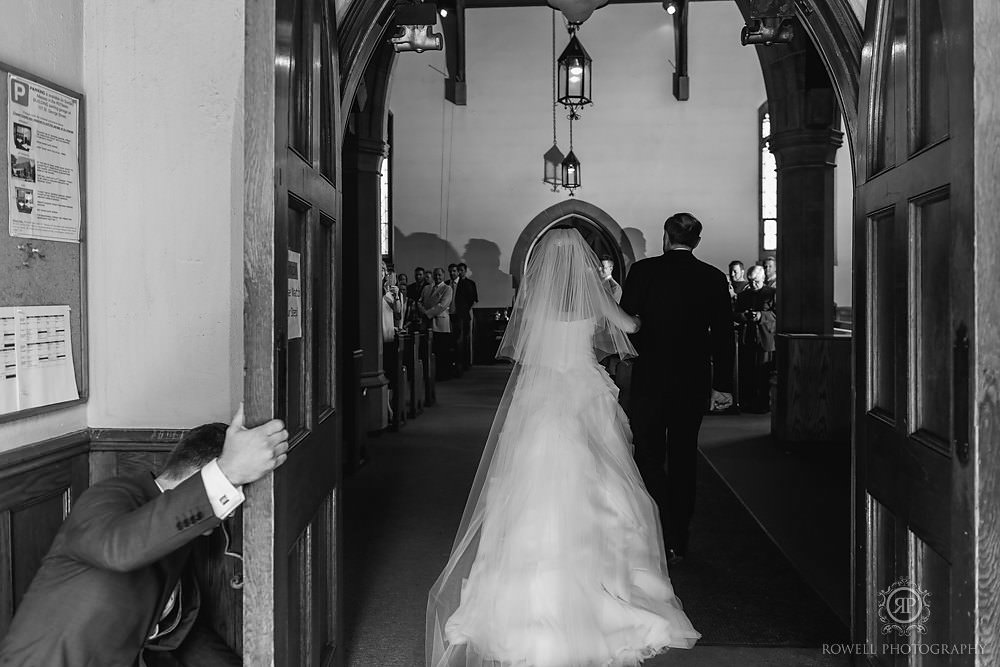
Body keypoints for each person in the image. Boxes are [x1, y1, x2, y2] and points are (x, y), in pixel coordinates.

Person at [427, 229, 699, 667]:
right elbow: (629, 327)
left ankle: (521, 595)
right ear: (584, 264)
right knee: (599, 483)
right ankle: (597, 586)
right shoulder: (594, 295)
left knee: (528, 486)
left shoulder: (535, 299)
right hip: (583, 392)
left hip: (541, 397)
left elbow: (524, 346)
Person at [0, 406, 289, 666]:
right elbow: (120, 550)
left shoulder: (180, 532)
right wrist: (228, 472)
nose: (231, 511)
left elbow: (183, 635)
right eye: (235, 494)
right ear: (203, 473)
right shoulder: (111, 496)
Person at [619, 212, 734, 565]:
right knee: (684, 456)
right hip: (692, 381)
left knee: (648, 454)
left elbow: (626, 324)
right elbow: (724, 336)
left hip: (649, 380)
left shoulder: (643, 272)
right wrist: (724, 386)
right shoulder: (713, 277)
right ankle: (677, 537)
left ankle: (655, 522)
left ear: (665, 237)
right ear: (696, 241)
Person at [734, 265, 776, 413]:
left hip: (765, 338)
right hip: (748, 338)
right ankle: (748, 402)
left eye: (756, 281)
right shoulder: (743, 295)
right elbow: (735, 314)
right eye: (750, 281)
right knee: (747, 373)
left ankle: (763, 404)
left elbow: (777, 315)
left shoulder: (771, 293)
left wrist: (760, 316)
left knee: (763, 374)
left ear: (763, 278)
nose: (753, 285)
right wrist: (743, 316)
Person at [418, 267, 454, 379]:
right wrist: (422, 311)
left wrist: (427, 313)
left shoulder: (447, 289)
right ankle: (429, 374)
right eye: (435, 275)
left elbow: (442, 305)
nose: (437, 277)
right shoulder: (426, 288)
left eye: (439, 275)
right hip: (427, 324)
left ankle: (442, 374)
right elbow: (420, 301)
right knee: (429, 350)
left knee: (441, 351)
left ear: (443, 276)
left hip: (440, 323)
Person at [452, 262, 479, 371]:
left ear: (465, 271)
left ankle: (465, 362)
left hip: (464, 314)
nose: (459, 272)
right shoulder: (452, 283)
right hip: (454, 314)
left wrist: (465, 309)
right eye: (458, 270)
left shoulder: (469, 283)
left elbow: (472, 299)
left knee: (464, 338)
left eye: (461, 270)